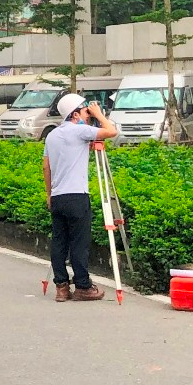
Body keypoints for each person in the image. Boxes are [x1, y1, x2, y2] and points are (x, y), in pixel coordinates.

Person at [43, 94, 119, 302]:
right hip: (77, 196)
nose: (89, 114)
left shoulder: (52, 135)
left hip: (58, 197)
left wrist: (49, 194)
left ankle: (61, 287)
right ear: (75, 114)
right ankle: (83, 286)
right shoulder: (80, 130)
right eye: (86, 111)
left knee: (59, 242)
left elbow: (46, 166)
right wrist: (99, 114)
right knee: (79, 243)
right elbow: (112, 131)